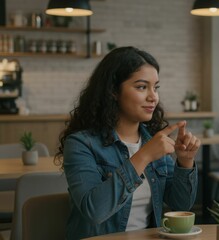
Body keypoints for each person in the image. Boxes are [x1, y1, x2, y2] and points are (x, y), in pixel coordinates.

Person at [55, 46, 200, 240]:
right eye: (141, 87)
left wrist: (185, 162)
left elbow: (181, 205)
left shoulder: (152, 140)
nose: (153, 97)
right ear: (114, 90)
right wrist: (144, 156)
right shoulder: (81, 144)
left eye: (155, 87)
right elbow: (94, 210)